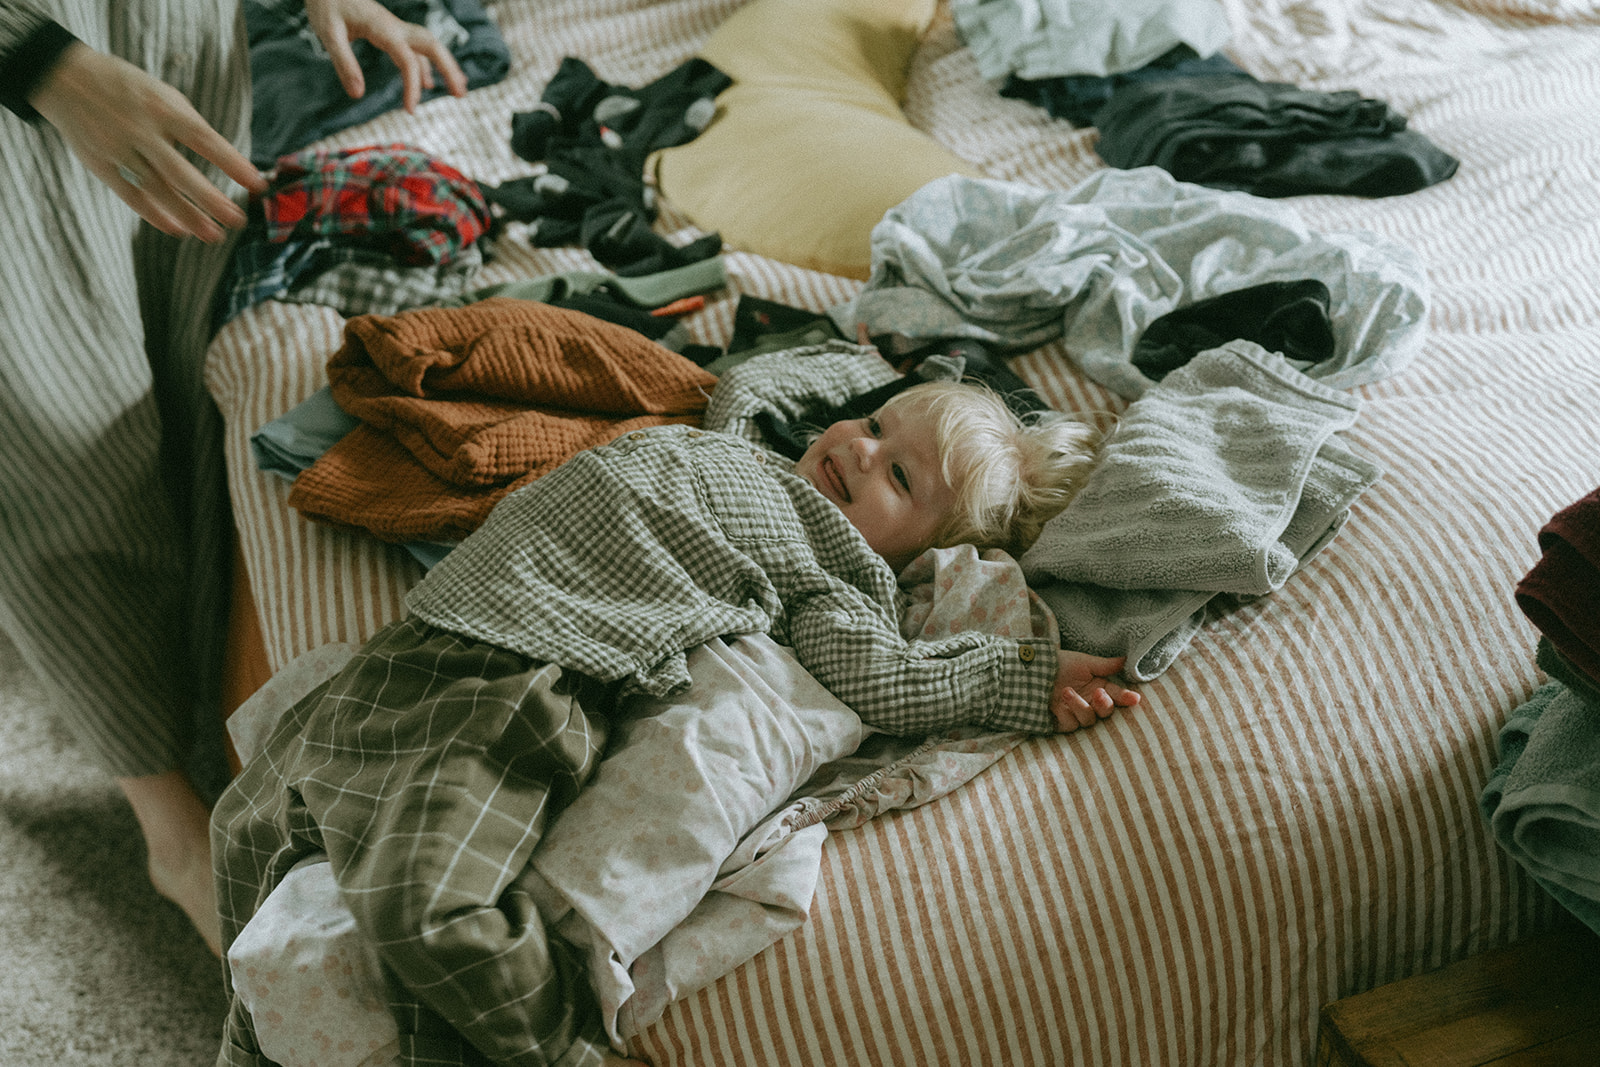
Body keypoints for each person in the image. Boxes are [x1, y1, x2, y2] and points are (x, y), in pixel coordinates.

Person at [211, 342, 1139, 1067]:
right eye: (872, 423)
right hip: (425, 639)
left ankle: (557, 1048)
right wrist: (871, 363)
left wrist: (1027, 674)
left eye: (900, 477)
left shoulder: (840, 576)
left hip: (526, 677)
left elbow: (887, 679)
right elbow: (755, 380)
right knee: (246, 821)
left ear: (919, 552)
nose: (859, 448)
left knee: (427, 902)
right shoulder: (741, 444)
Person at [0, 0, 467, 957]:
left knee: (172, 391)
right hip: (38, 69)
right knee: (56, 448)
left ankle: (193, 749)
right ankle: (168, 828)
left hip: (172, 36)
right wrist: (43, 63)